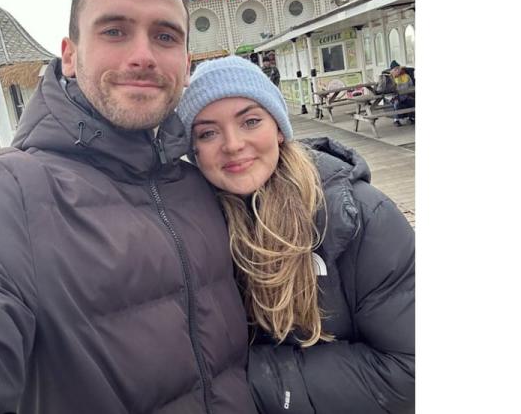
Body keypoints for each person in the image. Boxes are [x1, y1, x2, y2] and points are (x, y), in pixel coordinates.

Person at [0, 0, 257, 414]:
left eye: (164, 36)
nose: (143, 56)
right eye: (115, 31)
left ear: (186, 61)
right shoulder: (11, 194)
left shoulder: (202, 184)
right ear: (70, 55)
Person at [177, 56, 415, 414]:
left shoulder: (361, 218)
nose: (233, 144)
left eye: (250, 121)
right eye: (208, 132)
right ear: (193, 151)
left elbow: (409, 372)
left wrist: (243, 380)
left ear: (278, 127)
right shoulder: (191, 231)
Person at [388, 60, 415, 126]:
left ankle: (411, 118)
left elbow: (411, 85)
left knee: (412, 101)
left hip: (406, 94)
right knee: (396, 103)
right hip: (395, 97)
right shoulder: (390, 78)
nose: (397, 70)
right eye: (395, 69)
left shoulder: (406, 76)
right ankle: (396, 120)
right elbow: (388, 91)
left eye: (398, 68)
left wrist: (409, 93)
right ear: (392, 71)